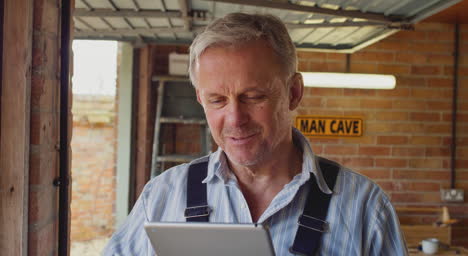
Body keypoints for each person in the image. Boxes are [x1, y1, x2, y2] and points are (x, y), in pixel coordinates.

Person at [103, 13, 407, 255]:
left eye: (253, 97)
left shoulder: (366, 208)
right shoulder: (162, 197)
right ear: (201, 100)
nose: (235, 119)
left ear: (293, 92)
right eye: (217, 100)